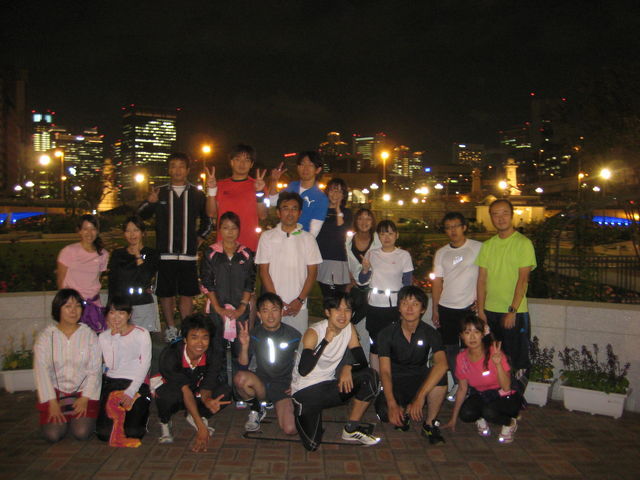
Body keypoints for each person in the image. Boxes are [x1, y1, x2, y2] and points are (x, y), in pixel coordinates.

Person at [137, 153, 213, 342]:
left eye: (181, 166)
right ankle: (171, 328)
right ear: (169, 169)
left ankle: (186, 329)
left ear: (187, 170)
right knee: (166, 293)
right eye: (173, 166)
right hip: (165, 253)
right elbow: (141, 216)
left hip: (188, 254)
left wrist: (200, 237)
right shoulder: (160, 192)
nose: (177, 170)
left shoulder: (196, 194)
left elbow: (208, 219)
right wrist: (149, 202)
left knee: (187, 293)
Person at [290, 293, 380, 451]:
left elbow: (361, 361)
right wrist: (325, 340)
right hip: (305, 392)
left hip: (328, 386)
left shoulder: (349, 328)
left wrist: (348, 367)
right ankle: (302, 411)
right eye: (337, 309)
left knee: (370, 376)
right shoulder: (314, 332)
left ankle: (351, 429)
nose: (343, 315)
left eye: (347, 310)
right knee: (312, 445)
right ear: (327, 312)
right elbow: (303, 370)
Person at [375, 286, 448, 443]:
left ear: (423, 309)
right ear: (398, 307)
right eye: (405, 303)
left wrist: (420, 397)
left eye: (415, 304)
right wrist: (392, 404)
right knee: (385, 413)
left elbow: (442, 364)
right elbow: (385, 372)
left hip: (419, 379)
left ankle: (429, 424)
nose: (409, 308)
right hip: (396, 382)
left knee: (440, 377)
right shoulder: (386, 334)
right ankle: (405, 412)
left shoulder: (431, 333)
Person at [476, 199, 536, 376]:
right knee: (493, 359)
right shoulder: (487, 246)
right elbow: (481, 280)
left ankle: (515, 393)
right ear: (491, 217)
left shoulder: (523, 243)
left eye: (504, 213)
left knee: (517, 361)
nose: (500, 218)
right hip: (490, 312)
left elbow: (523, 280)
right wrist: (481, 311)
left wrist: (512, 310)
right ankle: (499, 391)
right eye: (495, 214)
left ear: (512, 215)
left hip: (513, 312)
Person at [155, 313, 231, 452]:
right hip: (177, 391)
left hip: (195, 390)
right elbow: (185, 391)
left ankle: (195, 415)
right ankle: (165, 421)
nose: (200, 343)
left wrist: (207, 400)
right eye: (194, 337)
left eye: (205, 337)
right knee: (167, 396)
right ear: (185, 339)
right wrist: (201, 428)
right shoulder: (170, 355)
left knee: (224, 393)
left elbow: (207, 384)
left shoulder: (213, 354)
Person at [33, 289, 102, 443]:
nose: (73, 311)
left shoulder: (89, 335)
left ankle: (82, 416)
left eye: (77, 306)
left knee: (81, 432)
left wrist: (85, 398)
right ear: (58, 308)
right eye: (68, 306)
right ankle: (63, 415)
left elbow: (95, 370)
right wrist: (52, 402)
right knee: (53, 435)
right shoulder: (46, 337)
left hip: (82, 392)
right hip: (56, 393)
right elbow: (41, 372)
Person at [444, 315, 520, 443]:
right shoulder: (461, 358)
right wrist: (453, 418)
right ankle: (481, 417)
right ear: (461, 336)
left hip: (505, 396)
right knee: (466, 414)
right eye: (467, 332)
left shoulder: (494, 352)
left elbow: (506, 387)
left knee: (489, 412)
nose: (472, 337)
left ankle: (510, 423)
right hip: (482, 394)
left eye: (476, 332)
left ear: (482, 334)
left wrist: (498, 364)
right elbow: (462, 388)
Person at [255, 191, 323, 335]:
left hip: (298, 307)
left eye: (294, 209)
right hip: (271, 307)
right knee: (270, 343)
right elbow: (264, 272)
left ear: (300, 213)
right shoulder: (267, 237)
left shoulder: (308, 239)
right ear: (278, 212)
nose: (290, 213)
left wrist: (299, 300)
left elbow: (312, 273)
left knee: (298, 343)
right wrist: (276, 303)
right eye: (285, 208)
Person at [233, 292, 301, 434]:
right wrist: (244, 346)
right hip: (261, 384)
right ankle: (257, 407)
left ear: (281, 312)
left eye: (274, 310)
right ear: (258, 314)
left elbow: (304, 363)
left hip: (283, 386)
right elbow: (243, 366)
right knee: (240, 378)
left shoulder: (294, 335)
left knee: (290, 429)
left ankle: (278, 404)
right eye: (265, 311)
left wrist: (297, 383)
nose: (270, 316)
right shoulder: (254, 334)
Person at [431, 212, 482, 399]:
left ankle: (475, 386)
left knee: (472, 349)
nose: (452, 231)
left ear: (464, 227)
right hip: (446, 307)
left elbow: (485, 277)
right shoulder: (442, 253)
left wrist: (481, 301)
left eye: (456, 226)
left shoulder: (478, 248)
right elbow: (437, 282)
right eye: (448, 227)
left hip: (468, 308)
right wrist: (435, 309)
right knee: (450, 350)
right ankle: (460, 385)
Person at [200, 211, 256, 370]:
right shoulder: (211, 252)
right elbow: (207, 282)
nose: (229, 232)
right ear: (220, 229)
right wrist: (218, 308)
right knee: (216, 350)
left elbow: (250, 282)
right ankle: (216, 381)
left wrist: (242, 308)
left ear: (239, 230)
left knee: (242, 348)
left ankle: (241, 380)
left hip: (241, 310)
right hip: (216, 309)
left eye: (233, 228)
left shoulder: (246, 253)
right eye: (225, 228)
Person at [358, 220, 413, 370]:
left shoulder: (403, 255)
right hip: (375, 305)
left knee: (394, 343)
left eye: (390, 233)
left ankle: (393, 376)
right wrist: (365, 269)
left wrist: (405, 308)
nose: (387, 237)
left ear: (397, 235)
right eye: (382, 234)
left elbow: (407, 283)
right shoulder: (372, 254)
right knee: (375, 344)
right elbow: (362, 280)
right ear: (378, 236)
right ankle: (376, 378)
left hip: (395, 306)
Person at [96, 296, 152, 443]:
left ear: (129, 315)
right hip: (112, 383)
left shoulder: (141, 333)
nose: (116, 317)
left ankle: (142, 414)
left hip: (136, 382)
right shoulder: (103, 337)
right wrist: (114, 337)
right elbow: (112, 365)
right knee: (104, 434)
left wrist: (131, 391)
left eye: (121, 313)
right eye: (112, 312)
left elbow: (145, 365)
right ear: (107, 315)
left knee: (133, 433)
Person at [205, 144, 267, 253]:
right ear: (231, 162)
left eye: (247, 160)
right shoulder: (220, 185)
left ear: (251, 164)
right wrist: (211, 190)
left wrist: (259, 192)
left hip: (249, 245)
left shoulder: (258, 186)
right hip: (224, 246)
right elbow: (211, 213)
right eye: (238, 159)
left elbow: (262, 215)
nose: (242, 164)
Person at [107, 216, 160, 332]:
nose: (132, 234)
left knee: (141, 339)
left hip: (142, 304)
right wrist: (109, 308)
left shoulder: (151, 254)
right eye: (128, 231)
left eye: (136, 230)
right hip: (121, 307)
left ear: (143, 233)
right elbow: (112, 283)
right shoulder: (118, 254)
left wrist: (138, 256)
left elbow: (145, 278)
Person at [57, 214, 109, 332]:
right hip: (73, 306)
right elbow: (60, 280)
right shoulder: (68, 251)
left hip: (94, 305)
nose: (89, 233)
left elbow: (97, 278)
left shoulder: (103, 254)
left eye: (93, 229)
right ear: (79, 231)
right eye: (85, 229)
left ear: (97, 231)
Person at [345, 208, 381, 360]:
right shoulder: (348, 239)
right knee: (346, 321)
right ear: (355, 221)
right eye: (360, 218)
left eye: (368, 218)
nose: (364, 222)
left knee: (371, 327)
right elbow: (344, 260)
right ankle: (349, 358)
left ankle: (368, 360)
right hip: (353, 287)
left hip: (373, 288)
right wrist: (349, 278)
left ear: (373, 222)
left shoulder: (378, 239)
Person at [268, 151, 328, 236]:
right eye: (302, 164)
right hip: (283, 235)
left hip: (302, 240)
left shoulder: (321, 198)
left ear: (318, 170)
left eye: (310, 165)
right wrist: (274, 181)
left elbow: (314, 232)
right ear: (298, 167)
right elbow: (273, 201)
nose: (305, 169)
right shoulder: (292, 186)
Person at [316, 178, 353, 300]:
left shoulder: (346, 213)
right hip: (320, 259)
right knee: (325, 297)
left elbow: (341, 232)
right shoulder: (320, 210)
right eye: (332, 190)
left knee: (336, 298)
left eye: (339, 191)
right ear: (327, 191)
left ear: (344, 195)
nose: (335, 194)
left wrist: (338, 210)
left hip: (338, 260)